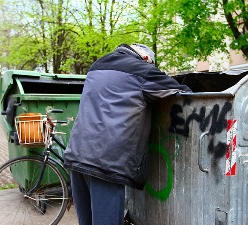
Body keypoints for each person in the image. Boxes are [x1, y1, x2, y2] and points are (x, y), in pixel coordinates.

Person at [64, 43, 192, 225]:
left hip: (77, 155)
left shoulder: (97, 65)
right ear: (147, 59)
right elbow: (183, 92)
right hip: (106, 165)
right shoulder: (143, 71)